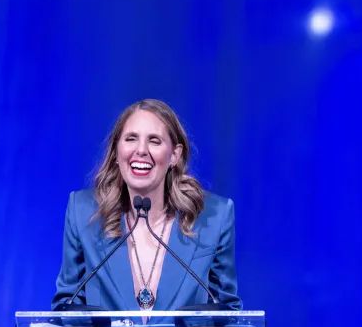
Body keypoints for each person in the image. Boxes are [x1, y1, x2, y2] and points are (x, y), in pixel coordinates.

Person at [52, 99, 242, 311]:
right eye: (131, 138)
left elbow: (227, 315)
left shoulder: (213, 217)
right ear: (116, 151)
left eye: (154, 141)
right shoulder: (83, 212)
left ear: (174, 156)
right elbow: (67, 308)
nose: (141, 150)